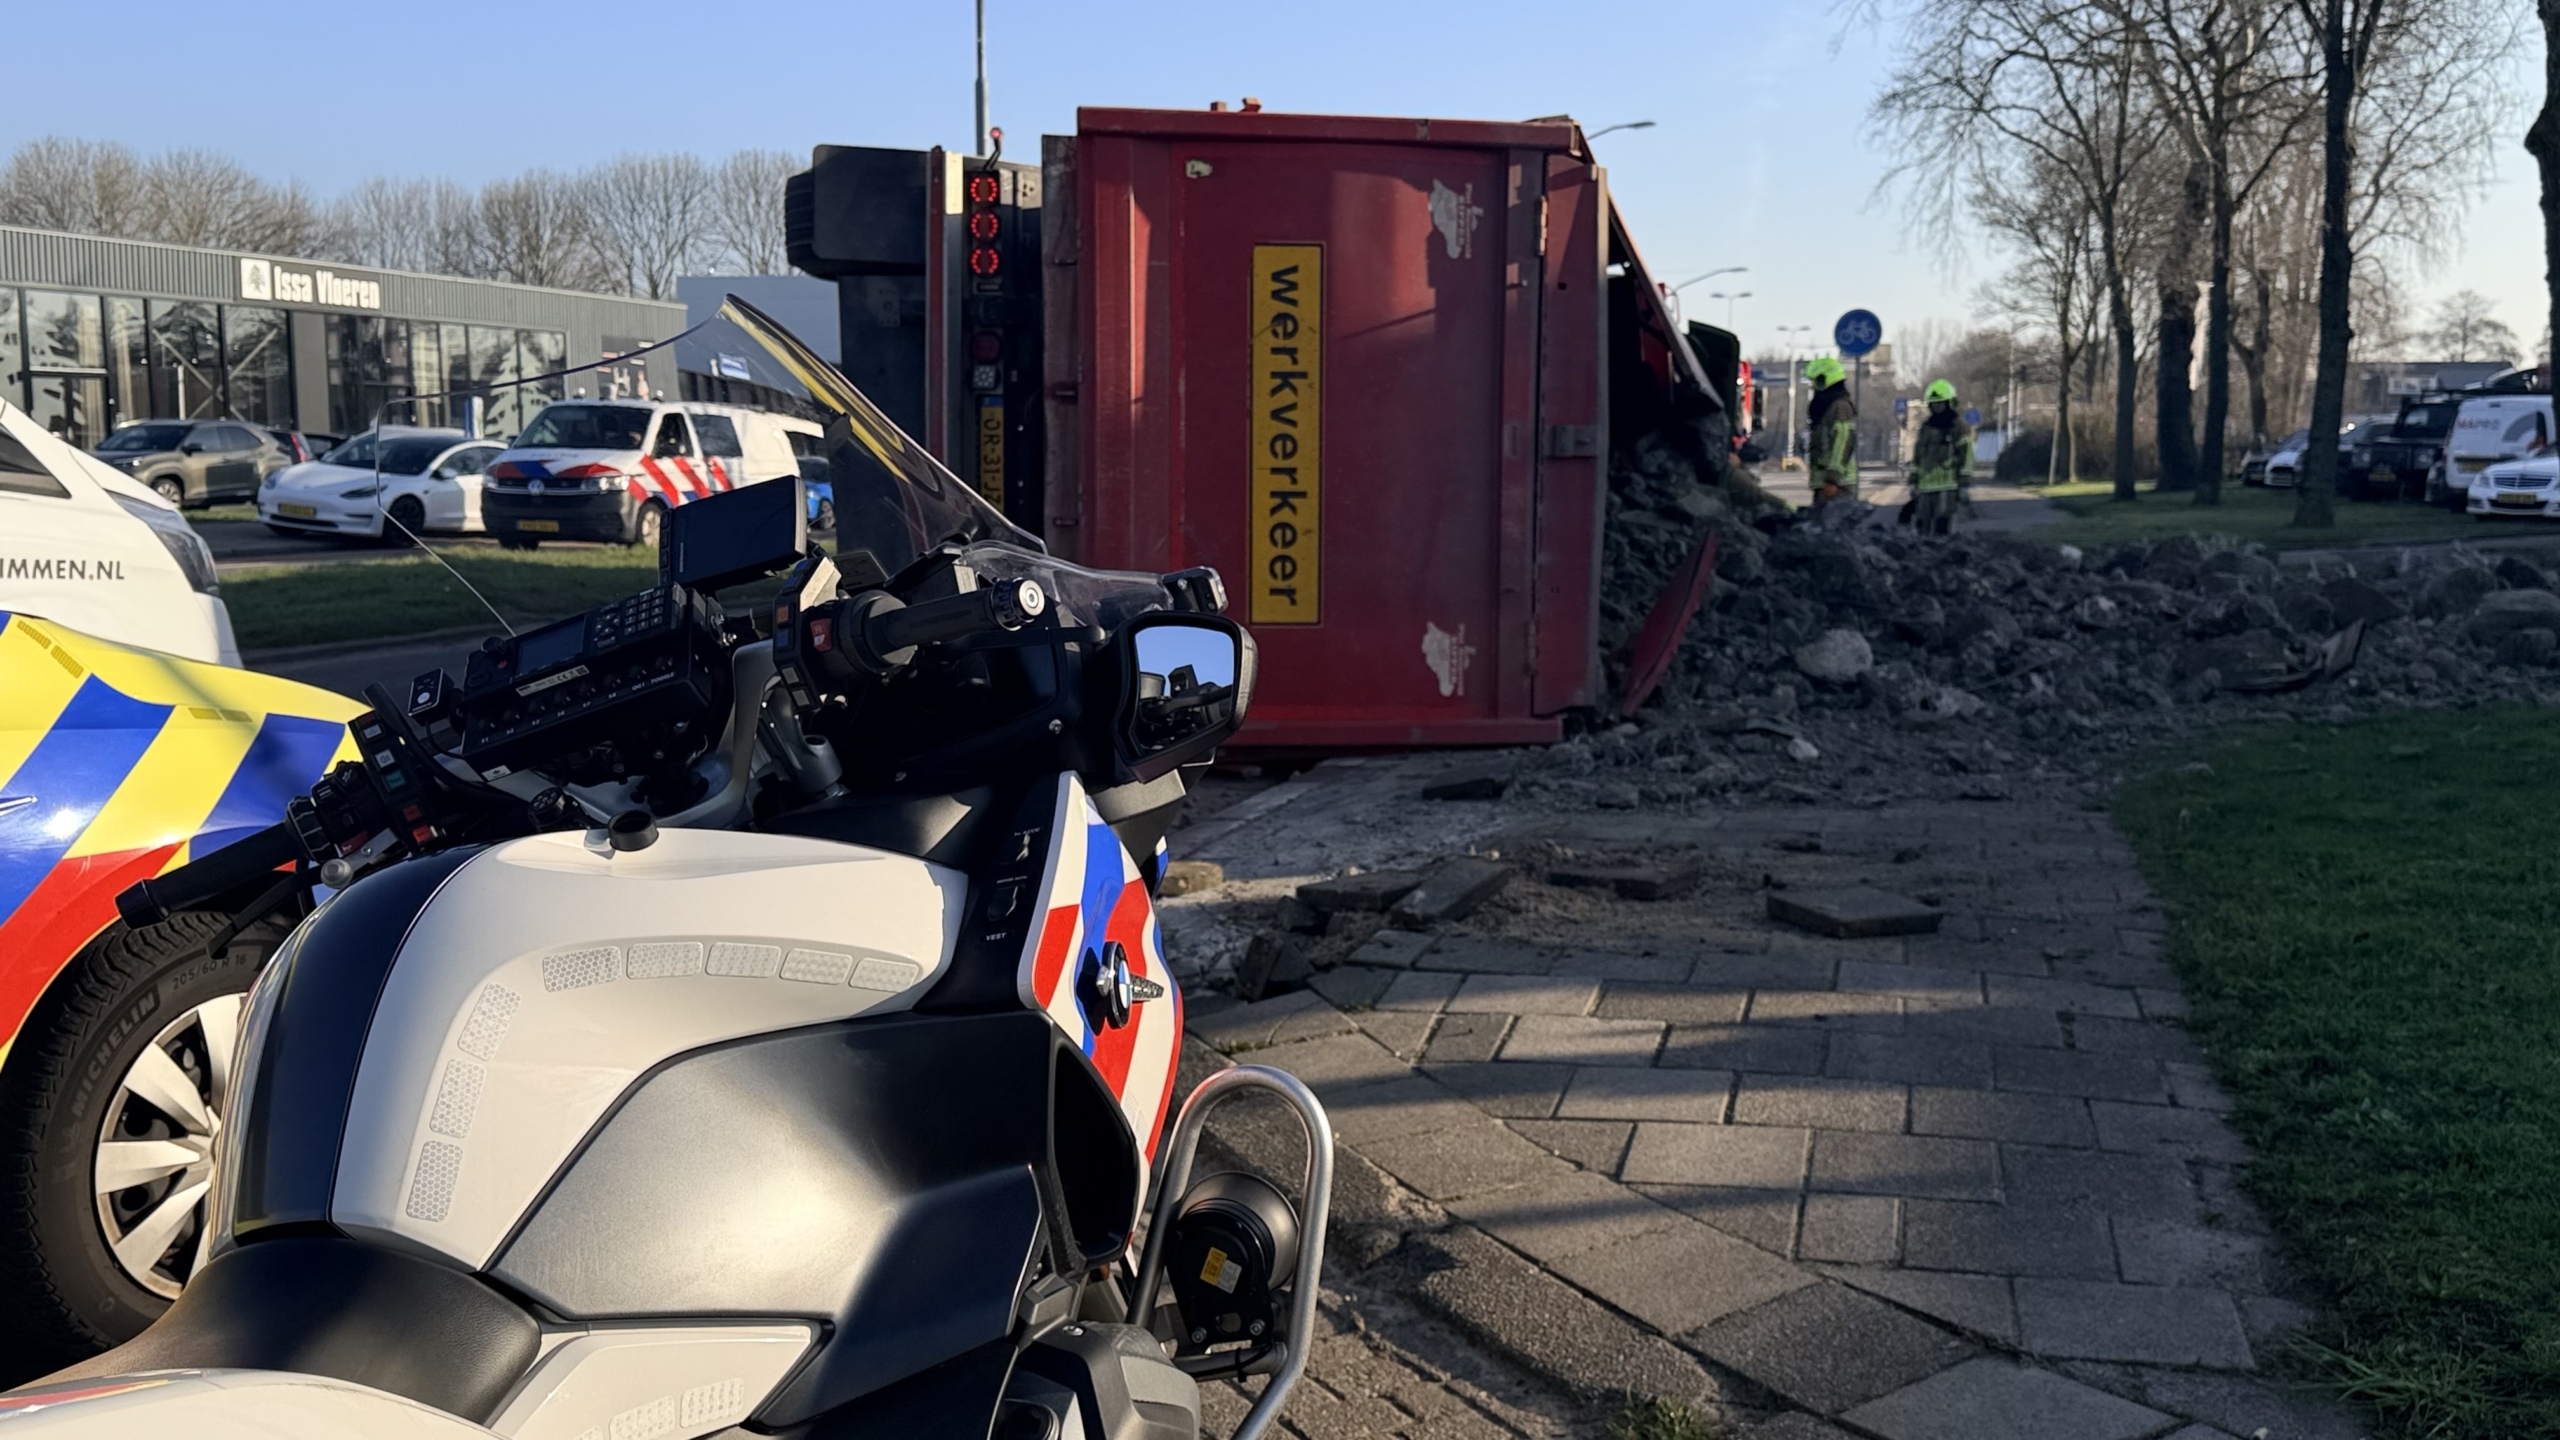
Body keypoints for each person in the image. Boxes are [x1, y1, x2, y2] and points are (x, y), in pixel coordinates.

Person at [1908, 379, 1973, 536]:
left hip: (1947, 487)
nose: (1937, 407)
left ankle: (1942, 550)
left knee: (1942, 528)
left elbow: (1966, 457)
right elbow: (1917, 457)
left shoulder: (1958, 427)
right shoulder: (1925, 428)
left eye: (1941, 403)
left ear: (1949, 403)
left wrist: (1963, 484)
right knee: (1921, 528)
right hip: (1925, 488)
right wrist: (1913, 480)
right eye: (1934, 404)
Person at [1804, 356, 1858, 505]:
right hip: (1825, 483)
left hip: (1838, 485)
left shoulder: (1840, 407)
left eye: (1816, 381)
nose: (1814, 386)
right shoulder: (1826, 407)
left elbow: (1842, 442)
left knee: (1835, 519)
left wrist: (1833, 479)